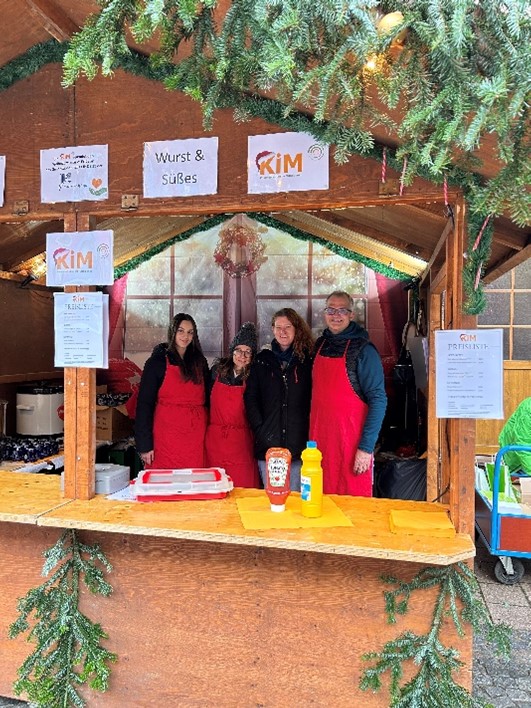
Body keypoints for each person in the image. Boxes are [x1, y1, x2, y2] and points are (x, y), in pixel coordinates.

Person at [310, 291, 387, 496]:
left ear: (351, 314)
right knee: (319, 502)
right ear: (325, 313)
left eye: (342, 310)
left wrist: (366, 448)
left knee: (353, 509)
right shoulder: (320, 345)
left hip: (352, 446)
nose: (336, 315)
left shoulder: (364, 350)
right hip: (320, 444)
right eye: (331, 310)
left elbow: (378, 401)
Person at [244, 308, 314, 491]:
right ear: (273, 330)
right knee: (273, 499)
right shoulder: (262, 360)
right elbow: (251, 398)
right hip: (269, 445)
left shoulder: (307, 361)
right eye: (278, 327)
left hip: (298, 446)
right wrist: (261, 429)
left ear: (296, 329)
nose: (283, 331)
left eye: (288, 327)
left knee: (296, 500)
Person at [135, 313, 209, 469]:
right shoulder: (157, 362)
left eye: (190, 332)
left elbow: (209, 400)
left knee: (194, 485)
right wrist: (144, 444)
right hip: (166, 435)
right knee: (164, 484)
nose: (185, 336)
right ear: (172, 332)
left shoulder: (200, 362)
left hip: (195, 436)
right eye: (181, 331)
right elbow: (144, 405)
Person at [205, 322, 260, 488]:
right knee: (215, 488)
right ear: (232, 350)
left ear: (253, 355)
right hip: (215, 442)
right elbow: (205, 401)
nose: (242, 356)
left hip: (241, 444)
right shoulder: (216, 371)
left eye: (247, 351)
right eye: (238, 350)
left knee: (242, 489)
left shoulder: (254, 377)